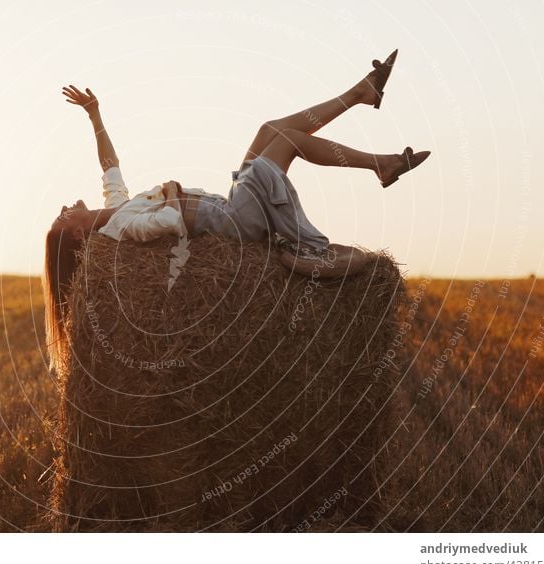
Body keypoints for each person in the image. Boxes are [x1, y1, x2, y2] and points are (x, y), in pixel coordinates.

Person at [44, 50, 430, 373]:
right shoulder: (121, 228)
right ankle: (378, 164)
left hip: (227, 205)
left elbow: (110, 166)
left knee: (269, 130)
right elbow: (168, 223)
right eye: (62, 217)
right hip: (237, 222)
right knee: (283, 145)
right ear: (78, 235)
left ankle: (361, 93)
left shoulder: (116, 209)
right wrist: (174, 192)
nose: (64, 207)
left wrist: (94, 115)